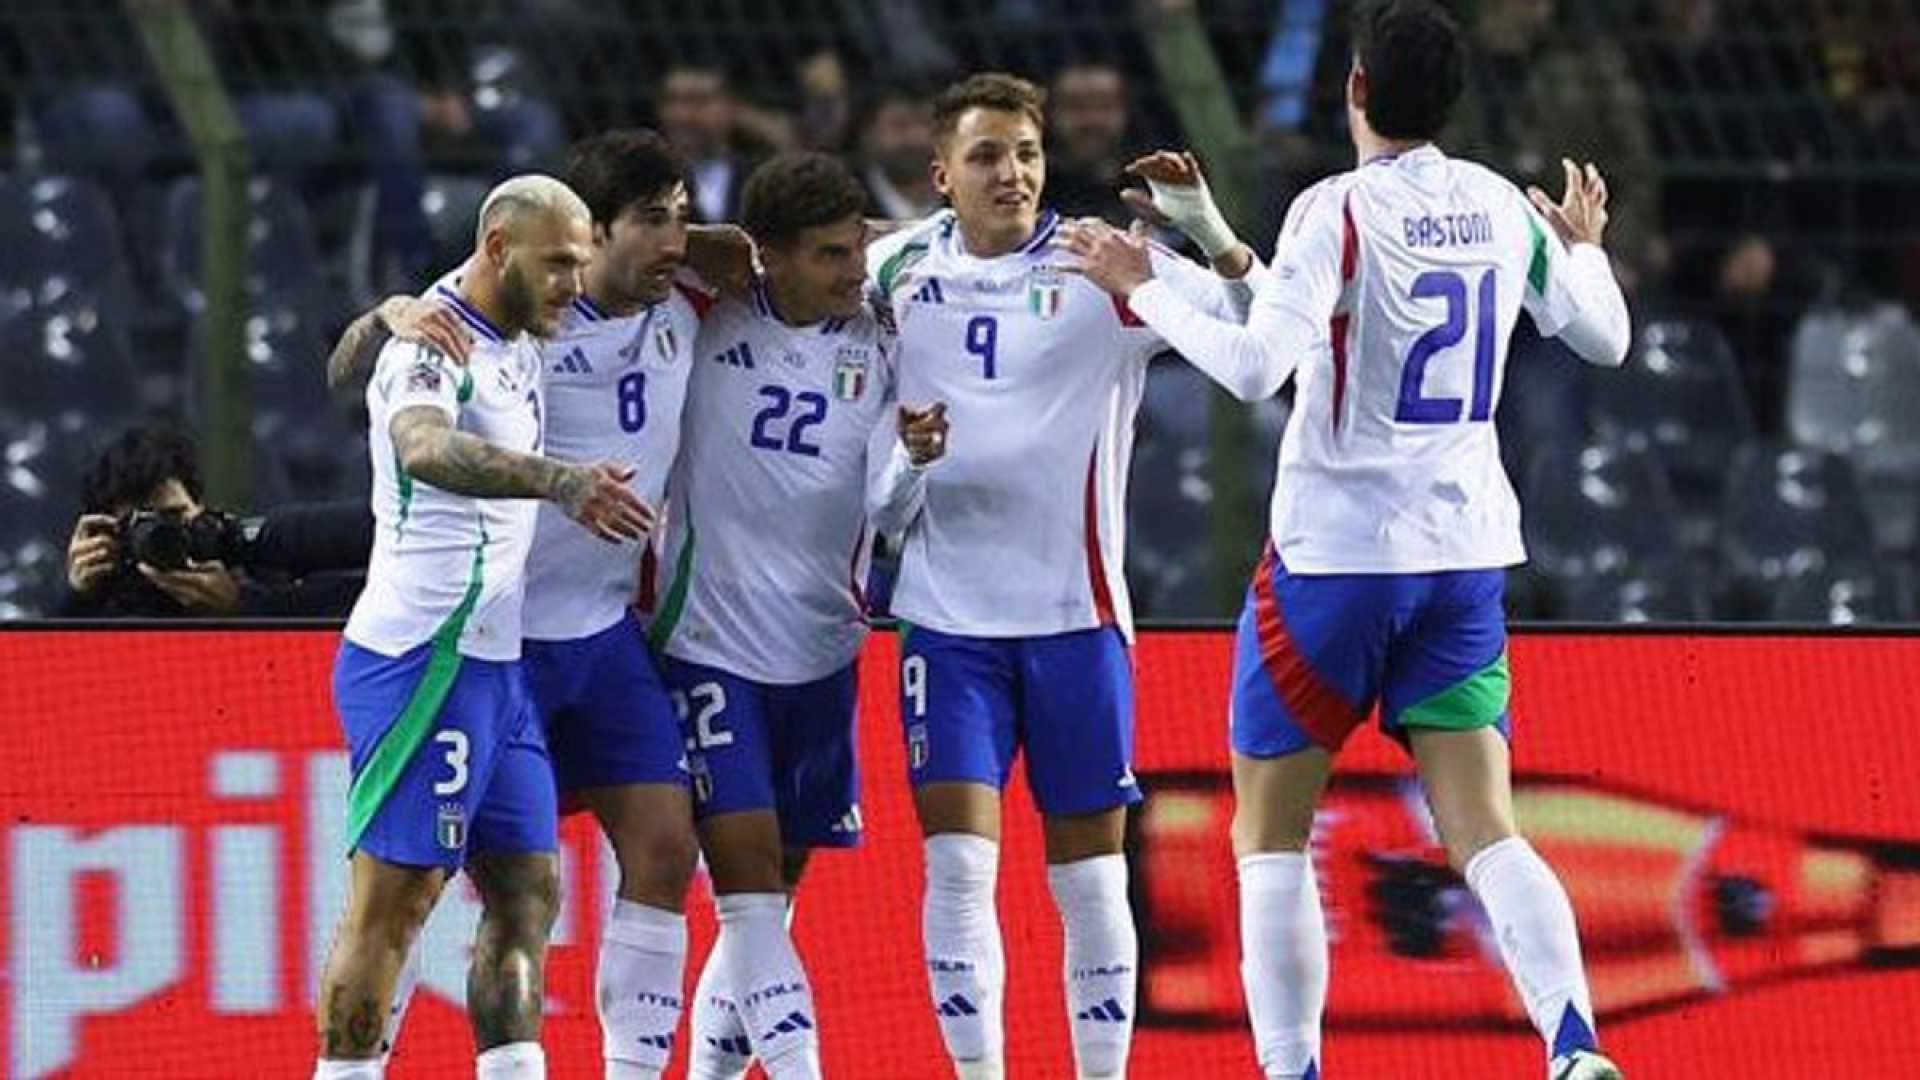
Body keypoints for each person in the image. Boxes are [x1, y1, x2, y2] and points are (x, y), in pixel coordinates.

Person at [1061, 3, 1631, 1078]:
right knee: (1486, 830)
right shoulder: (1505, 206)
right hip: (1461, 557)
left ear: (1355, 89)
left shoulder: (1338, 206)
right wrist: (1588, 249)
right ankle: (1573, 1041)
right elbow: (1606, 338)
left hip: (1333, 566)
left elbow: (1253, 367)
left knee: (1269, 839)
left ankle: (1293, 1071)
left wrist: (1145, 285)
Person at [864, 72, 1262, 1080]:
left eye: (1028, 153)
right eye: (989, 156)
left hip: (1075, 616)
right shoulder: (893, 270)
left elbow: (1261, 327)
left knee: (1088, 882)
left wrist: (1208, 235)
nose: (1015, 173)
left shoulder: (1103, 263)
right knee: (958, 867)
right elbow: (779, 285)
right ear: (940, 174)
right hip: (946, 622)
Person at [329, 130, 718, 1080]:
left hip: (497, 666)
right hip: (425, 658)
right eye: (555, 265)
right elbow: (421, 444)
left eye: (580, 264)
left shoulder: (520, 335)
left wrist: (379, 313)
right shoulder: (438, 346)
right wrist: (561, 481)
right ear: (499, 249)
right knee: (398, 903)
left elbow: (673, 250)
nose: (570, 285)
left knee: (526, 894)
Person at [646, 151, 949, 1080]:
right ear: (767, 255)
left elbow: (892, 516)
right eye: (827, 255)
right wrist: (715, 243)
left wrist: (914, 459)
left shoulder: (885, 340)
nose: (852, 270)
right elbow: (614, 235)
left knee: (768, 907)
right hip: (707, 643)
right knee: (743, 890)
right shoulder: (701, 314)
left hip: (822, 650)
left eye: (855, 249)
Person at [63, 425, 373, 617]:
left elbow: (375, 599)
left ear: (200, 509)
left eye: (174, 517)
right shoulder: (104, 607)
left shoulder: (252, 571)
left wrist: (244, 605)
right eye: (140, 526)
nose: (160, 535)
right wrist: (79, 601)